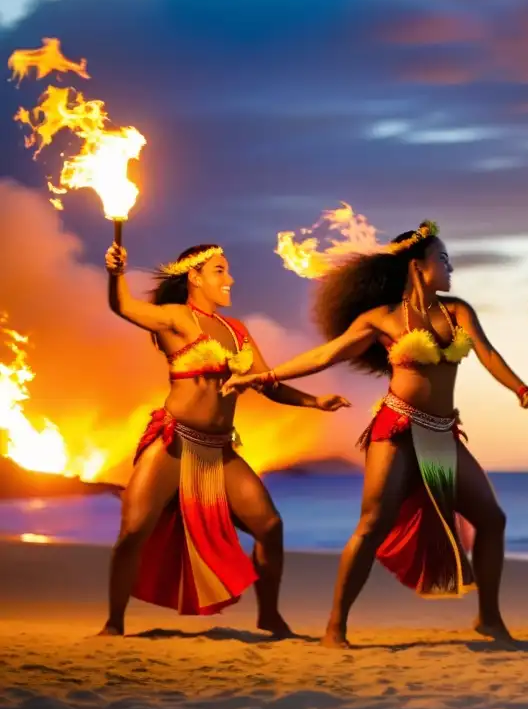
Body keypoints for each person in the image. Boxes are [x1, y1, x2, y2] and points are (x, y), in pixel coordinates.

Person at [222, 221, 528, 647]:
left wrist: (523, 391)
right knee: (373, 524)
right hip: (397, 431)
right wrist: (264, 376)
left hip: (443, 433)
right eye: (442, 259)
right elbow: (326, 355)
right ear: (417, 266)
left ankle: (489, 619)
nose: (450, 267)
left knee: (491, 519)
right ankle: (336, 626)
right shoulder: (383, 318)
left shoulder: (457, 311)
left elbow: (488, 354)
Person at [102, 242, 348, 636]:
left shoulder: (237, 332)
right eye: (220, 270)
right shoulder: (177, 318)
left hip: (218, 449)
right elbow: (124, 307)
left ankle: (269, 615)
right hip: (174, 442)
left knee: (269, 526)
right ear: (194, 277)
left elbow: (268, 384)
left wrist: (315, 401)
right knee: (134, 530)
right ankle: (114, 623)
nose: (229, 278)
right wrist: (116, 275)